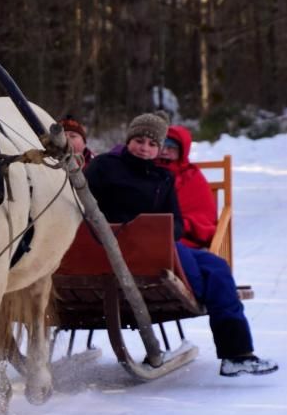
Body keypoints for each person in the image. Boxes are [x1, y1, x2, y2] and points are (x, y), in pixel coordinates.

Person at [85, 110, 278, 377]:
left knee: (217, 268)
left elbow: (175, 220)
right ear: (129, 140)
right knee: (199, 275)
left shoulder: (163, 178)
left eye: (153, 144)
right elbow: (84, 204)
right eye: (140, 141)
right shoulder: (105, 166)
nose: (145, 149)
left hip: (157, 243)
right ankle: (197, 291)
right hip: (116, 243)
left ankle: (237, 354)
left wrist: (164, 229)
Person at [156, 125, 217, 248]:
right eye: (161, 146)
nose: (164, 151)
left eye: (171, 147)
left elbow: (203, 216)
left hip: (182, 238)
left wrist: (181, 225)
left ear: (182, 151)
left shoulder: (192, 176)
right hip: (148, 233)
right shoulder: (146, 170)